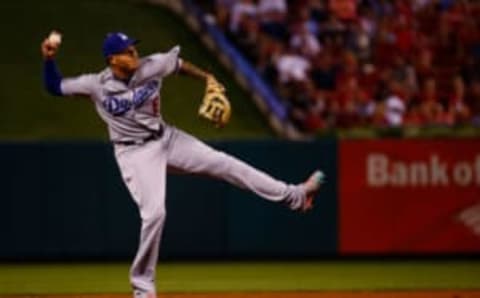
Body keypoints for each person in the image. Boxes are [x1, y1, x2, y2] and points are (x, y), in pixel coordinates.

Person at [40, 31, 324, 298]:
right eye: (126, 51)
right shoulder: (95, 85)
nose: (133, 52)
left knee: (226, 164)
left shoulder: (151, 65)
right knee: (154, 214)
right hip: (134, 153)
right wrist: (49, 58)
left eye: (133, 47)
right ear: (112, 59)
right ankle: (142, 288)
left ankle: (296, 196)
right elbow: (55, 86)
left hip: (167, 138)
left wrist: (208, 79)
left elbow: (178, 64)